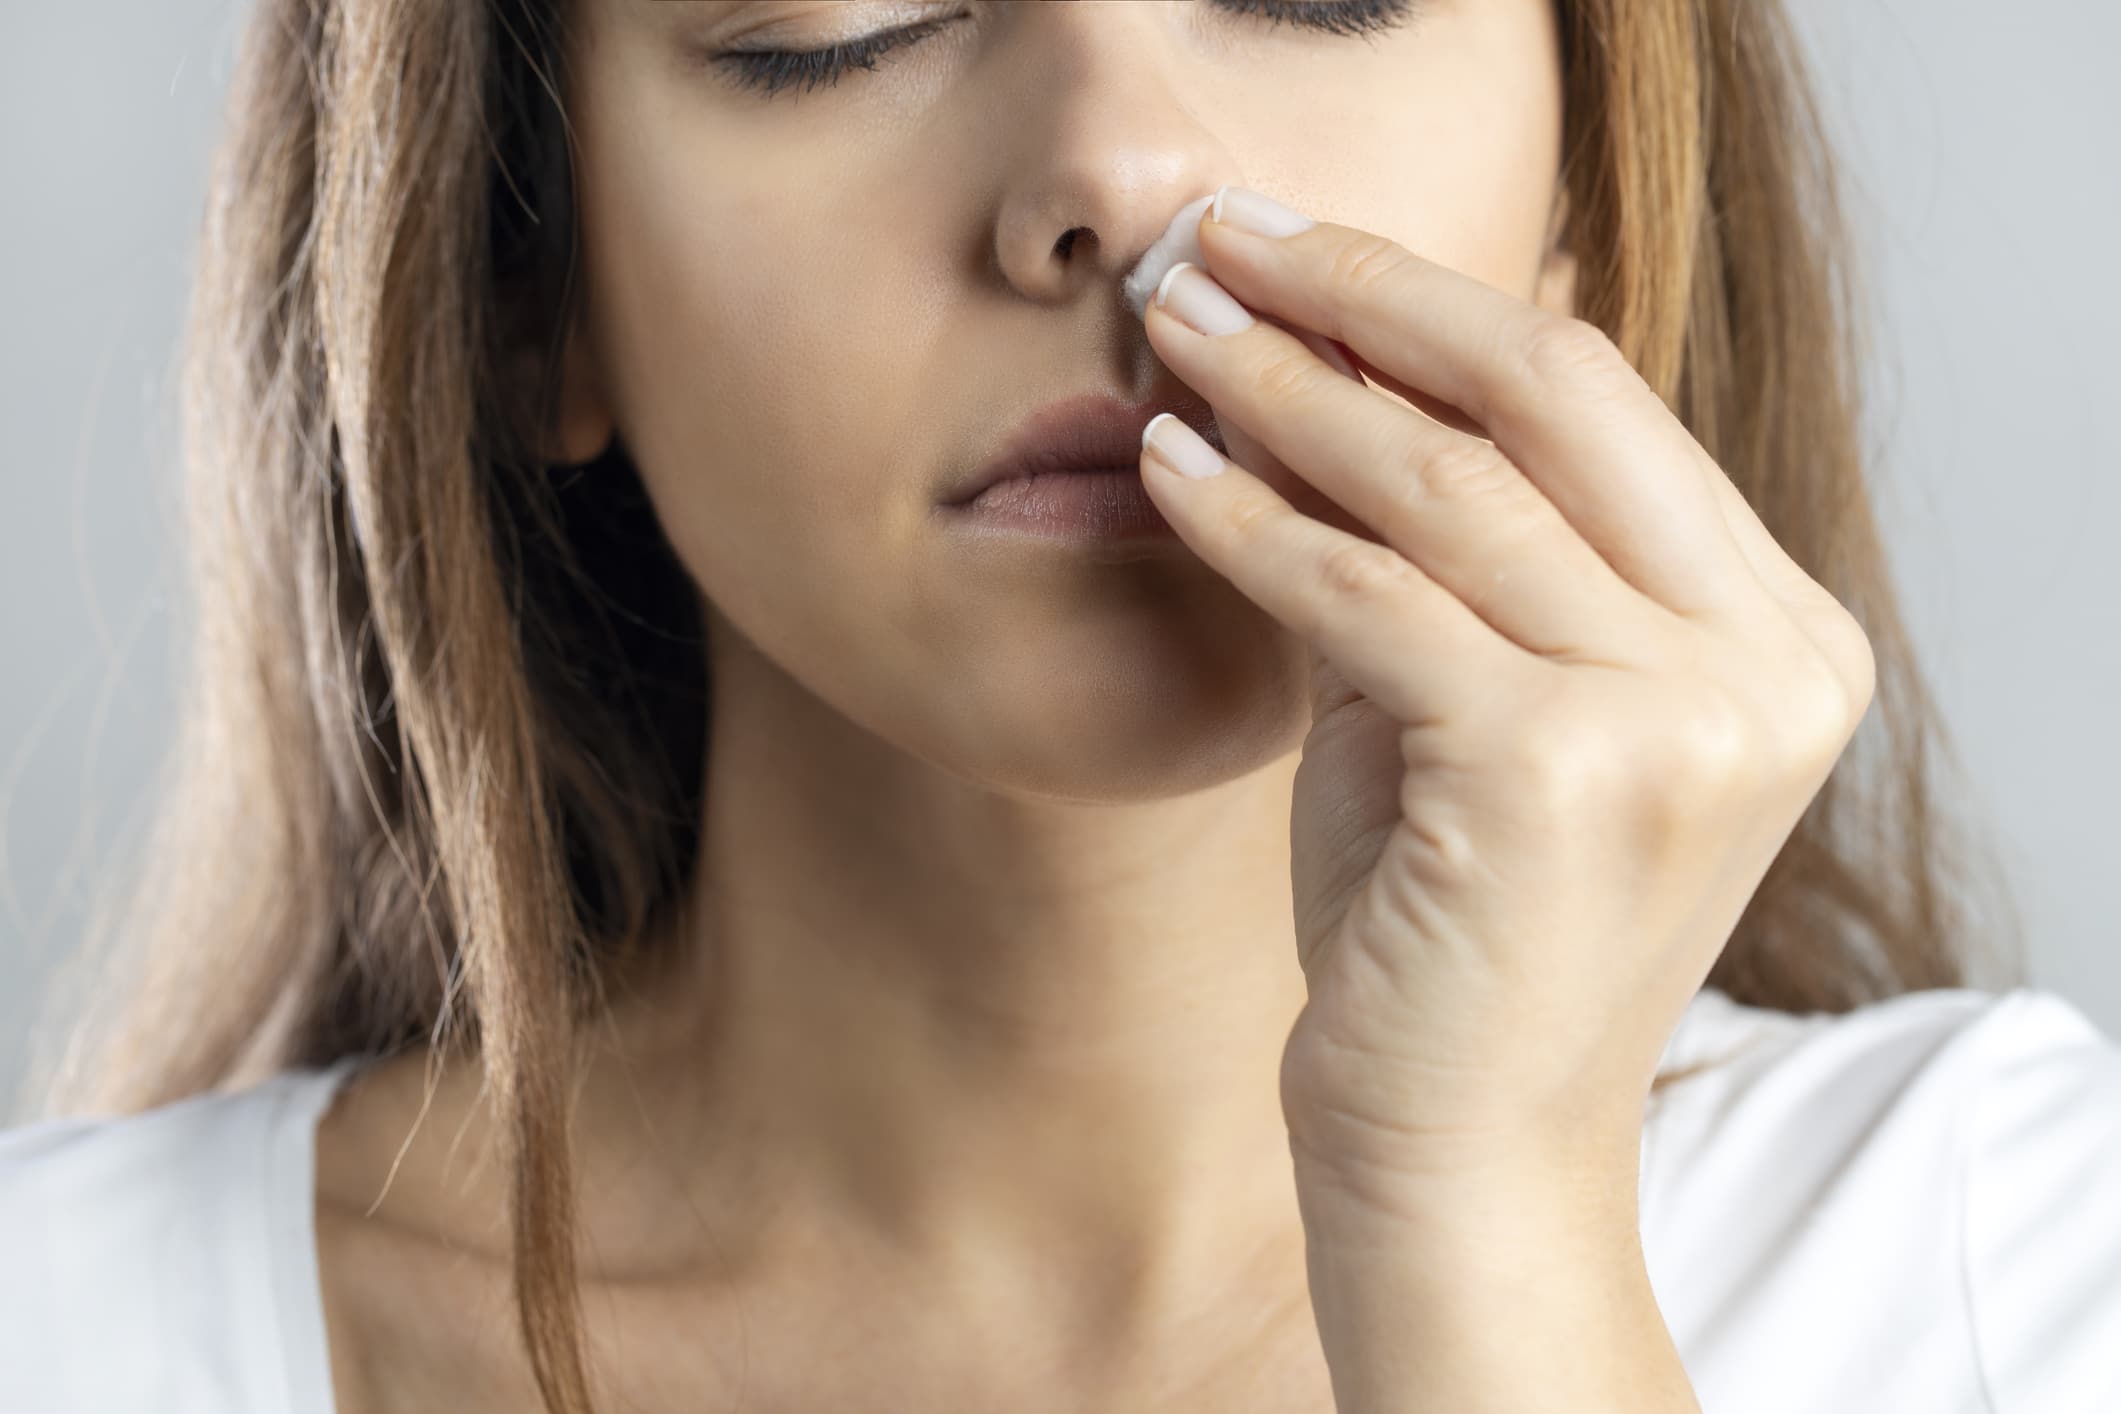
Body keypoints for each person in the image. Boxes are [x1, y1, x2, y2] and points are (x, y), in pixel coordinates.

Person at [3, 2, 2116, 1411]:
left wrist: (1481, 1228)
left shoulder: (2004, 1256)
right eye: (837, 25)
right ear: (523, 277)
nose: (1115, 168)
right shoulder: (70, 1334)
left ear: (1588, 188)